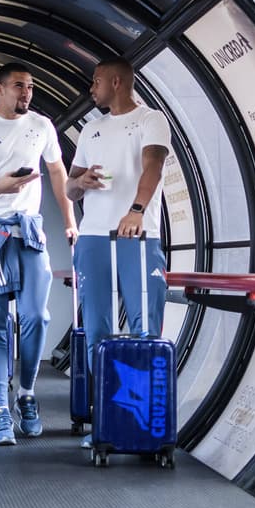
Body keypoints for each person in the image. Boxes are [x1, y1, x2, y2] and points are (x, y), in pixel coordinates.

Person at [0, 62, 77, 445]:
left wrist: (70, 218)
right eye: (18, 86)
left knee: (36, 317)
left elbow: (58, 174)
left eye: (30, 86)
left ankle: (25, 395)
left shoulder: (42, 126)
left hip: (29, 232)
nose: (26, 93)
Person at [65, 56, 171, 449]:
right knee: (97, 330)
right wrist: (82, 182)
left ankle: (146, 421)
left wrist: (137, 210)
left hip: (136, 236)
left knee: (145, 328)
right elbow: (71, 190)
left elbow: (153, 167)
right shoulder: (90, 129)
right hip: (93, 237)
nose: (91, 89)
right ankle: (106, 419)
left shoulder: (150, 120)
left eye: (96, 81)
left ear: (116, 81)